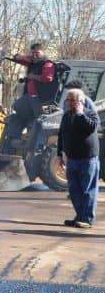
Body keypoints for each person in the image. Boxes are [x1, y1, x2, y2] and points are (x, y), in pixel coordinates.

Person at [0, 42, 59, 154]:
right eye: (32, 53)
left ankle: (35, 146)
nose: (34, 55)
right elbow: (21, 59)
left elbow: (47, 78)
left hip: (40, 98)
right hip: (29, 97)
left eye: (37, 53)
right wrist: (18, 56)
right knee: (17, 107)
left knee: (39, 120)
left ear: (43, 52)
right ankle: (12, 139)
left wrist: (33, 77)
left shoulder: (48, 64)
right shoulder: (33, 62)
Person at [57, 87, 100, 229]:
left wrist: (81, 114)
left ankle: (87, 219)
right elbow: (61, 135)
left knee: (88, 190)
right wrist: (60, 154)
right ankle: (79, 216)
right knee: (74, 190)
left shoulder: (91, 114)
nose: (69, 103)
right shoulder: (67, 115)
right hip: (72, 160)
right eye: (68, 100)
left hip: (88, 159)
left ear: (80, 101)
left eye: (72, 100)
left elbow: (91, 127)